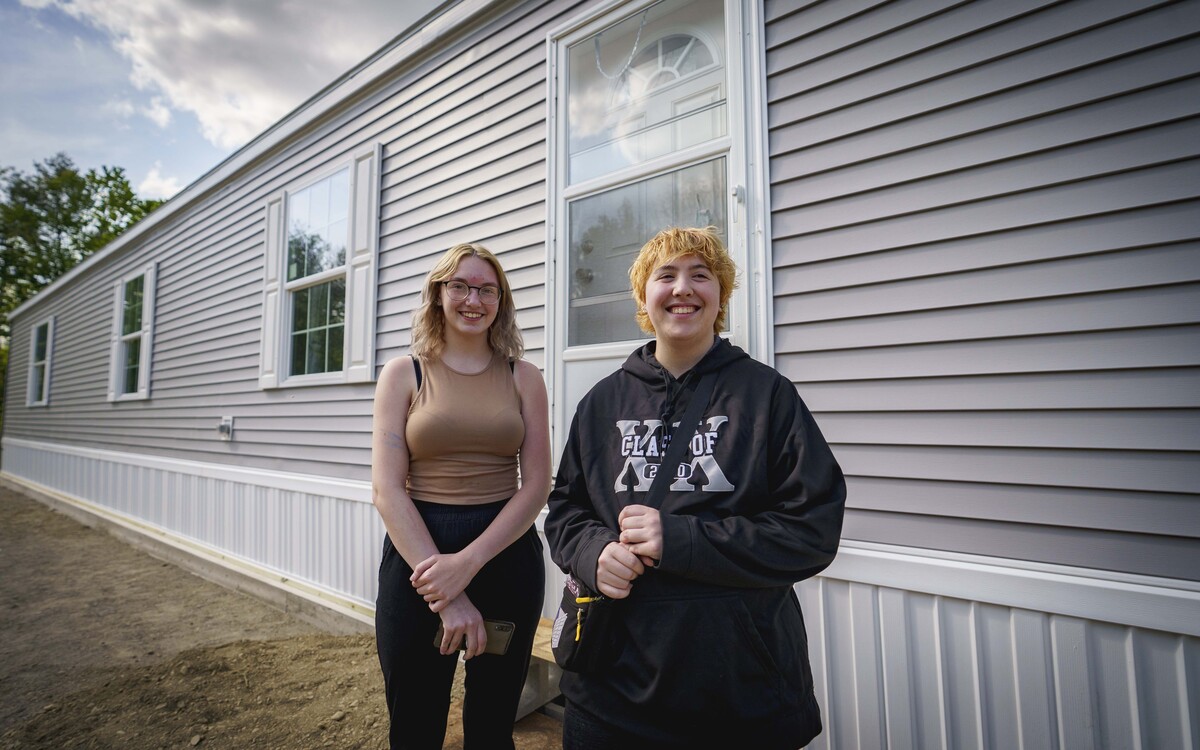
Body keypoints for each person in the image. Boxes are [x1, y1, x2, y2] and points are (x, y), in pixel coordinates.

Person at [545, 226, 847, 749]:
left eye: (700, 275)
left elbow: (812, 529)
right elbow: (565, 509)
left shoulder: (767, 396)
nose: (683, 287)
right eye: (666, 275)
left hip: (739, 696)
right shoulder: (602, 403)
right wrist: (594, 553)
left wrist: (680, 540)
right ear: (644, 296)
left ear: (720, 296)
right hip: (610, 695)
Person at [371, 242, 550, 750]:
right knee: (415, 722)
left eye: (486, 289)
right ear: (438, 295)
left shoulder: (524, 377)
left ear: (501, 300)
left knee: (494, 724)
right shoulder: (404, 374)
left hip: (505, 553)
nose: (474, 299)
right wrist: (445, 590)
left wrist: (467, 565)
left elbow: (536, 484)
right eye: (460, 286)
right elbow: (387, 490)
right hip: (419, 556)